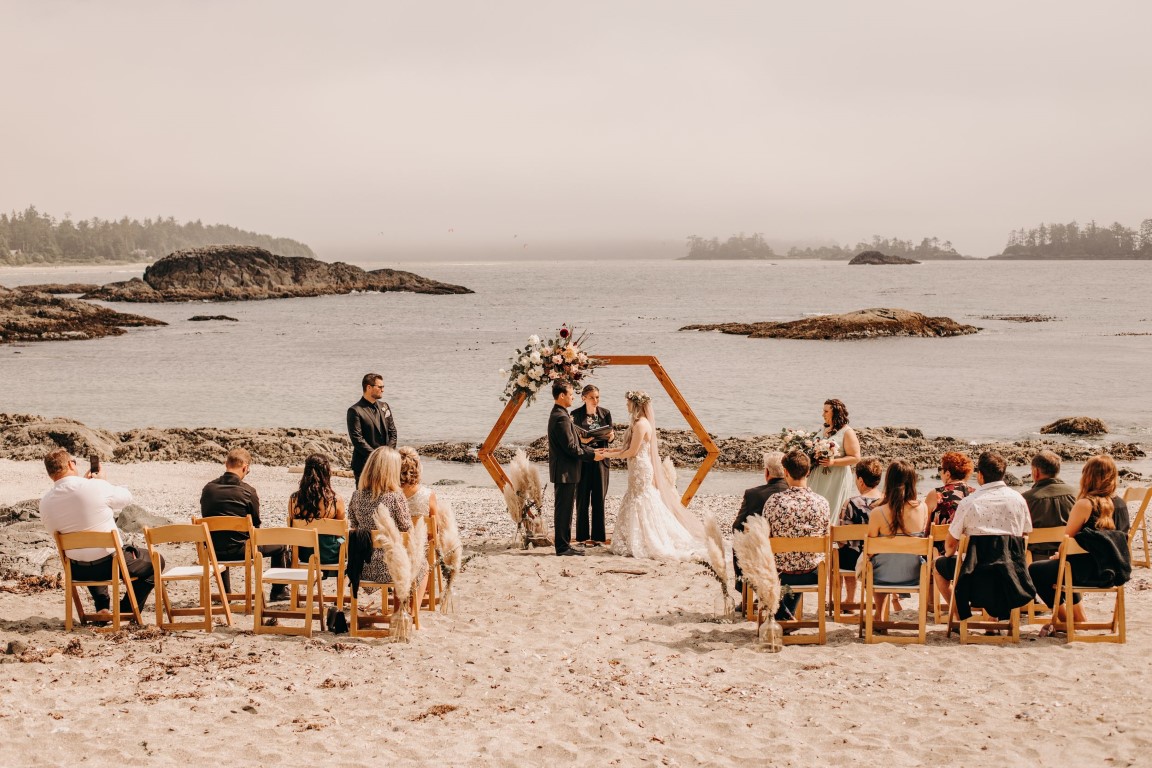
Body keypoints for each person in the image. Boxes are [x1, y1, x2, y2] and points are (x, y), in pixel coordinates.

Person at [39, 448, 162, 617]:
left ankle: (102, 607)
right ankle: (126, 610)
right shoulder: (95, 486)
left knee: (88, 553)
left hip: (76, 569)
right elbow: (126, 498)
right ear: (69, 464)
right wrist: (103, 482)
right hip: (111, 565)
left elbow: (53, 529)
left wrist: (87, 485)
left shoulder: (45, 502)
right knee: (156, 561)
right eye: (74, 461)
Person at [1029, 455, 1131, 637]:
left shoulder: (1085, 504)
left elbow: (1066, 543)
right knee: (1062, 566)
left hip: (1085, 572)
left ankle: (1065, 620)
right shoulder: (1122, 505)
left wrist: (1058, 556)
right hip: (1114, 571)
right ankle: (1073, 618)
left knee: (1037, 570)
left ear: (1087, 476)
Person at [603, 390, 705, 560]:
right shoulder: (638, 423)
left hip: (640, 468)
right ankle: (633, 538)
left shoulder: (641, 424)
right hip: (636, 467)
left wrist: (608, 456)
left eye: (628, 402)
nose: (626, 405)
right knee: (636, 498)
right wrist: (610, 450)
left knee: (642, 499)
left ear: (635, 404)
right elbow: (627, 448)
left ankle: (646, 539)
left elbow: (633, 452)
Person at [932, 451, 1032, 606]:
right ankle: (992, 619)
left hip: (974, 573)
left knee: (938, 565)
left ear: (980, 475)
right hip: (1010, 573)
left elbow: (950, 546)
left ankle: (959, 617)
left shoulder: (969, 503)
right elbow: (1023, 536)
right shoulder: (1019, 500)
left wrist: (952, 554)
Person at [200, 447, 289, 603]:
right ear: (245, 468)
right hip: (242, 551)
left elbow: (205, 517)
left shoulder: (208, 489)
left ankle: (225, 593)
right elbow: (255, 525)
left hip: (213, 551)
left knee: (219, 536)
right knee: (281, 545)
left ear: (226, 463)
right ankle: (278, 591)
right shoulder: (248, 492)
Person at [347, 447, 428, 613]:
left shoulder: (356, 495)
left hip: (363, 567)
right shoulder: (395, 497)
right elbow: (408, 532)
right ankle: (409, 615)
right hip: (390, 567)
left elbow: (354, 528)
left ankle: (402, 612)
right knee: (423, 565)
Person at [761, 449, 830, 621]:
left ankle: (782, 614)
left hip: (781, 573)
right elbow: (826, 535)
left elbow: (764, 536)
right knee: (804, 557)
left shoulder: (774, 502)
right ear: (808, 472)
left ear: (785, 472)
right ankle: (786, 615)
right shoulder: (822, 502)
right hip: (813, 571)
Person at [864, 460, 928, 623]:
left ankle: (879, 614)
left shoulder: (877, 512)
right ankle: (882, 613)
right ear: (913, 481)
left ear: (889, 481)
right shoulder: (923, 508)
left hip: (882, 575)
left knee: (871, 562)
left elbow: (869, 550)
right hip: (913, 575)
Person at [547, 379, 600, 556]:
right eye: (570, 395)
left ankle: (565, 544)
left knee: (566, 509)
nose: (573, 398)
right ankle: (562, 547)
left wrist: (591, 450)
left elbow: (573, 445)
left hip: (565, 471)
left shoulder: (560, 414)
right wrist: (592, 455)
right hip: (565, 472)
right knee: (564, 510)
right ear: (561, 396)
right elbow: (571, 448)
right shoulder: (561, 417)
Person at [732, 451, 788, 600]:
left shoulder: (753, 494)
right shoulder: (794, 493)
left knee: (738, 539)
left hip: (762, 553)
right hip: (790, 557)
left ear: (767, 472)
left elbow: (737, 526)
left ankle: (745, 592)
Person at [834, 457, 884, 609]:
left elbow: (841, 538)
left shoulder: (850, 503)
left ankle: (849, 599)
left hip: (852, 560)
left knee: (843, 550)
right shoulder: (887, 501)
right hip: (880, 558)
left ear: (861, 481)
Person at [570, 384, 615, 546]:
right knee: (582, 499)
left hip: (601, 460)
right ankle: (581, 538)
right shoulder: (575, 415)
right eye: (592, 397)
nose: (595, 400)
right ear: (583, 398)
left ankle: (598, 538)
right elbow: (572, 439)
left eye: (597, 397)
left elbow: (610, 437)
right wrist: (581, 440)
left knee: (599, 499)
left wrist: (610, 437)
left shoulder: (605, 413)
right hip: (583, 460)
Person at [806, 398, 861, 527]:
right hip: (817, 474)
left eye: (826, 411)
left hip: (835, 477)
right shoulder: (823, 428)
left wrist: (833, 462)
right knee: (814, 506)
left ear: (835, 413)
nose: (822, 414)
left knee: (831, 506)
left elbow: (856, 457)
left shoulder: (847, 432)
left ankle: (829, 538)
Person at [287, 453, 346, 568]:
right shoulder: (335, 500)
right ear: (327, 472)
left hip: (304, 554)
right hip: (331, 555)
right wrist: (342, 542)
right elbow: (341, 534)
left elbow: (293, 530)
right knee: (346, 538)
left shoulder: (294, 499)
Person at [399, 446, 439, 607]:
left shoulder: (390, 494)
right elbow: (433, 532)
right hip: (419, 550)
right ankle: (423, 592)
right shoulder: (428, 494)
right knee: (429, 547)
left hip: (396, 548)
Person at [1022, 450, 1076, 557]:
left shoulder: (1025, 499)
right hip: (1069, 559)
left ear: (1036, 472)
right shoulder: (1077, 495)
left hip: (1034, 562)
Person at [347, 372, 397, 485]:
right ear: (369, 387)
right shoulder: (355, 410)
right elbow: (357, 439)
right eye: (380, 387)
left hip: (386, 464)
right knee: (364, 500)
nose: (383, 390)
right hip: (364, 464)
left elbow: (393, 432)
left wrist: (387, 455)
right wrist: (376, 457)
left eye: (383, 387)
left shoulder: (385, 406)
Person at [924, 451, 976, 537]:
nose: (940, 473)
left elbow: (925, 527)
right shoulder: (975, 494)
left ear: (948, 474)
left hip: (938, 548)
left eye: (941, 469)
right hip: (966, 548)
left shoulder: (936, 494)